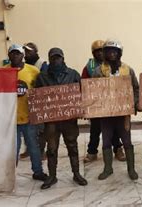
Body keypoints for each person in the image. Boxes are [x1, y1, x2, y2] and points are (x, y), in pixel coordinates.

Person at [35, 47, 87, 189]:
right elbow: (37, 99)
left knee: (72, 146)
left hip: (69, 120)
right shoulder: (42, 77)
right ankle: (52, 176)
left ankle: (76, 174)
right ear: (49, 59)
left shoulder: (73, 74)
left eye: (58, 57)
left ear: (63, 58)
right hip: (51, 121)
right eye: (53, 57)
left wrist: (82, 109)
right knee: (51, 149)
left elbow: (83, 93)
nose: (56, 60)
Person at [92, 40, 139, 181]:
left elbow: (135, 88)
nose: (111, 54)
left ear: (119, 53)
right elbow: (93, 91)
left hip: (123, 113)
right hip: (105, 114)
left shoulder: (127, 69)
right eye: (108, 51)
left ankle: (131, 169)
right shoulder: (98, 71)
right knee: (106, 141)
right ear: (104, 54)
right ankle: (108, 168)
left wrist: (134, 104)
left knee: (126, 141)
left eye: (114, 51)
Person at [4, 44, 47, 181]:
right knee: (12, 150)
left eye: (18, 53)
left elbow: (41, 90)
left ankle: (38, 172)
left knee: (34, 147)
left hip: (29, 117)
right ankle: (9, 175)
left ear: (23, 55)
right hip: (11, 118)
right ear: (9, 55)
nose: (15, 56)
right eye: (12, 53)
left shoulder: (33, 70)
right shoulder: (1, 71)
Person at [81, 40, 125, 163]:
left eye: (102, 51)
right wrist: (86, 106)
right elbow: (84, 86)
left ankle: (118, 149)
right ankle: (92, 152)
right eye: (97, 51)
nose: (100, 53)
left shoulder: (116, 66)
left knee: (115, 130)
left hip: (113, 104)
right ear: (93, 53)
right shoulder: (89, 68)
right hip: (97, 104)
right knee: (95, 129)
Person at [21, 42, 48, 160]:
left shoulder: (42, 64)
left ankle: (41, 151)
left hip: (39, 99)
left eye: (29, 51)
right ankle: (29, 149)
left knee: (40, 128)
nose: (26, 54)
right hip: (25, 99)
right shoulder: (23, 64)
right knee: (28, 127)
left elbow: (45, 80)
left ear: (35, 52)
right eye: (25, 51)